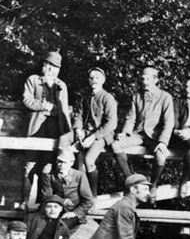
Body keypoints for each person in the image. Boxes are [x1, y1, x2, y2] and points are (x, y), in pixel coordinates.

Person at [111, 66, 175, 200]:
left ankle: (154, 184)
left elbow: (169, 122)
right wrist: (125, 132)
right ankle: (130, 181)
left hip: (155, 136)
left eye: (147, 78)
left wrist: (163, 142)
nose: (144, 81)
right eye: (142, 78)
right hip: (138, 134)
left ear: (155, 80)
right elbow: (131, 117)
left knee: (161, 157)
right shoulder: (137, 95)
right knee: (116, 145)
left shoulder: (165, 97)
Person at [22, 51, 73, 205]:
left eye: (55, 67)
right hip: (36, 127)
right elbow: (27, 100)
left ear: (58, 70)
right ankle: (24, 201)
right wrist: (43, 106)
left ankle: (43, 202)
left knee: (48, 167)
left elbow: (64, 109)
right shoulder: (33, 80)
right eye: (48, 65)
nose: (51, 69)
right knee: (30, 165)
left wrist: (67, 132)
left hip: (54, 129)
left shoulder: (61, 85)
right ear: (43, 65)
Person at [71, 66, 118, 197]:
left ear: (103, 80)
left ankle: (93, 195)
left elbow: (111, 123)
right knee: (77, 161)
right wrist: (78, 129)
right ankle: (80, 195)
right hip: (86, 132)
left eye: (97, 77)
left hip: (102, 135)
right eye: (91, 78)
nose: (94, 80)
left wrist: (93, 137)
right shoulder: (84, 96)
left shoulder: (107, 98)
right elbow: (78, 115)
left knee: (88, 160)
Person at [39, 149, 93, 229]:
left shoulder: (79, 176)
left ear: (71, 163)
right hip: (52, 211)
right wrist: (61, 200)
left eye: (64, 162)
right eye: (59, 162)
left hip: (72, 213)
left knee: (60, 228)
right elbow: (47, 197)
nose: (61, 165)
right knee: (38, 226)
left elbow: (88, 201)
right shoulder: (50, 176)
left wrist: (74, 213)